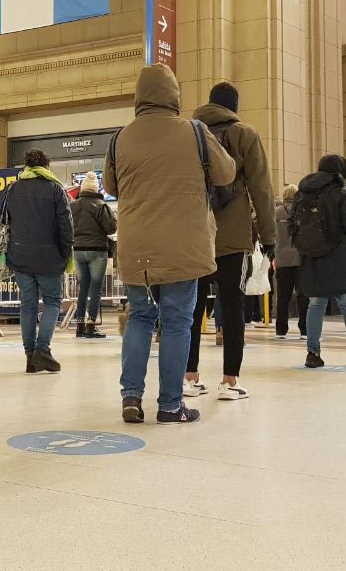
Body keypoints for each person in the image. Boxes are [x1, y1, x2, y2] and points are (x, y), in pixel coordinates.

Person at [105, 64, 234, 424]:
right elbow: (227, 173)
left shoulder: (120, 137)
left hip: (136, 247)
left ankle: (131, 397)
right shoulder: (195, 132)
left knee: (140, 319)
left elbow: (111, 186)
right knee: (177, 322)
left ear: (138, 97)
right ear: (174, 95)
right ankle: (170, 404)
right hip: (184, 244)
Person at [184, 82, 275, 401]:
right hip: (233, 236)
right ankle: (230, 380)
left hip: (195, 232)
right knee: (233, 304)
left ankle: (189, 376)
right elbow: (261, 189)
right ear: (233, 106)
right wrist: (268, 235)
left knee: (192, 306)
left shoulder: (189, 134)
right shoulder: (245, 134)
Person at [292, 155, 346, 368]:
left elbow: (293, 226)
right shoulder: (342, 192)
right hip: (340, 255)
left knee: (316, 303)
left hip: (311, 255)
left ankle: (313, 353)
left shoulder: (301, 193)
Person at [3, 148, 73, 372]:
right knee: (52, 302)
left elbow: (5, 220)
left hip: (20, 256)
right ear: (46, 166)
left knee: (28, 305)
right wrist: (64, 253)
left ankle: (30, 356)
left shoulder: (13, 189)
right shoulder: (55, 189)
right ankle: (42, 350)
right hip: (49, 256)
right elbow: (66, 225)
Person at [69, 171, 115, 339]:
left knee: (83, 289)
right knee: (95, 289)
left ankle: (79, 326)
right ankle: (90, 326)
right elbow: (111, 228)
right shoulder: (101, 205)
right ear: (96, 189)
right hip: (97, 250)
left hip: (78, 250)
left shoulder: (73, 205)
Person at [272, 184, 306, 339]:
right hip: (299, 258)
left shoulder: (276, 213)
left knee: (283, 296)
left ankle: (281, 330)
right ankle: (304, 330)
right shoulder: (301, 212)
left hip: (281, 258)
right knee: (302, 295)